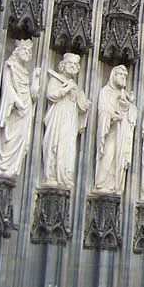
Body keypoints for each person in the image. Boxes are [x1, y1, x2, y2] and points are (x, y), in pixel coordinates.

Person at [0, 39, 40, 178]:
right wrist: (16, 100)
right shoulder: (10, 65)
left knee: (20, 138)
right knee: (7, 136)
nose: (28, 53)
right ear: (17, 51)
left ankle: (12, 167)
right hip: (14, 108)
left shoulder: (25, 72)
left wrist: (36, 78)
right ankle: (2, 165)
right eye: (25, 50)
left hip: (25, 109)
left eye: (30, 51)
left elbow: (33, 95)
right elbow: (7, 86)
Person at [42, 53, 90, 188]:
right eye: (71, 63)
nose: (73, 67)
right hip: (58, 117)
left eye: (76, 65)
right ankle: (51, 175)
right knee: (55, 143)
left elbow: (81, 105)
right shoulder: (55, 80)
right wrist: (66, 89)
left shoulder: (76, 86)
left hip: (70, 120)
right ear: (63, 65)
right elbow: (51, 95)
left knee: (68, 147)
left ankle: (65, 175)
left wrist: (85, 105)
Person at [95, 65, 137, 194]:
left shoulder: (125, 96)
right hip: (111, 132)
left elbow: (132, 115)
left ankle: (115, 186)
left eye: (125, 76)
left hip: (122, 133)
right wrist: (112, 116)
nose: (123, 77)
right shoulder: (105, 92)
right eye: (121, 74)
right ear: (114, 75)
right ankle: (102, 183)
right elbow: (103, 111)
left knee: (119, 158)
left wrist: (129, 106)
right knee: (108, 154)